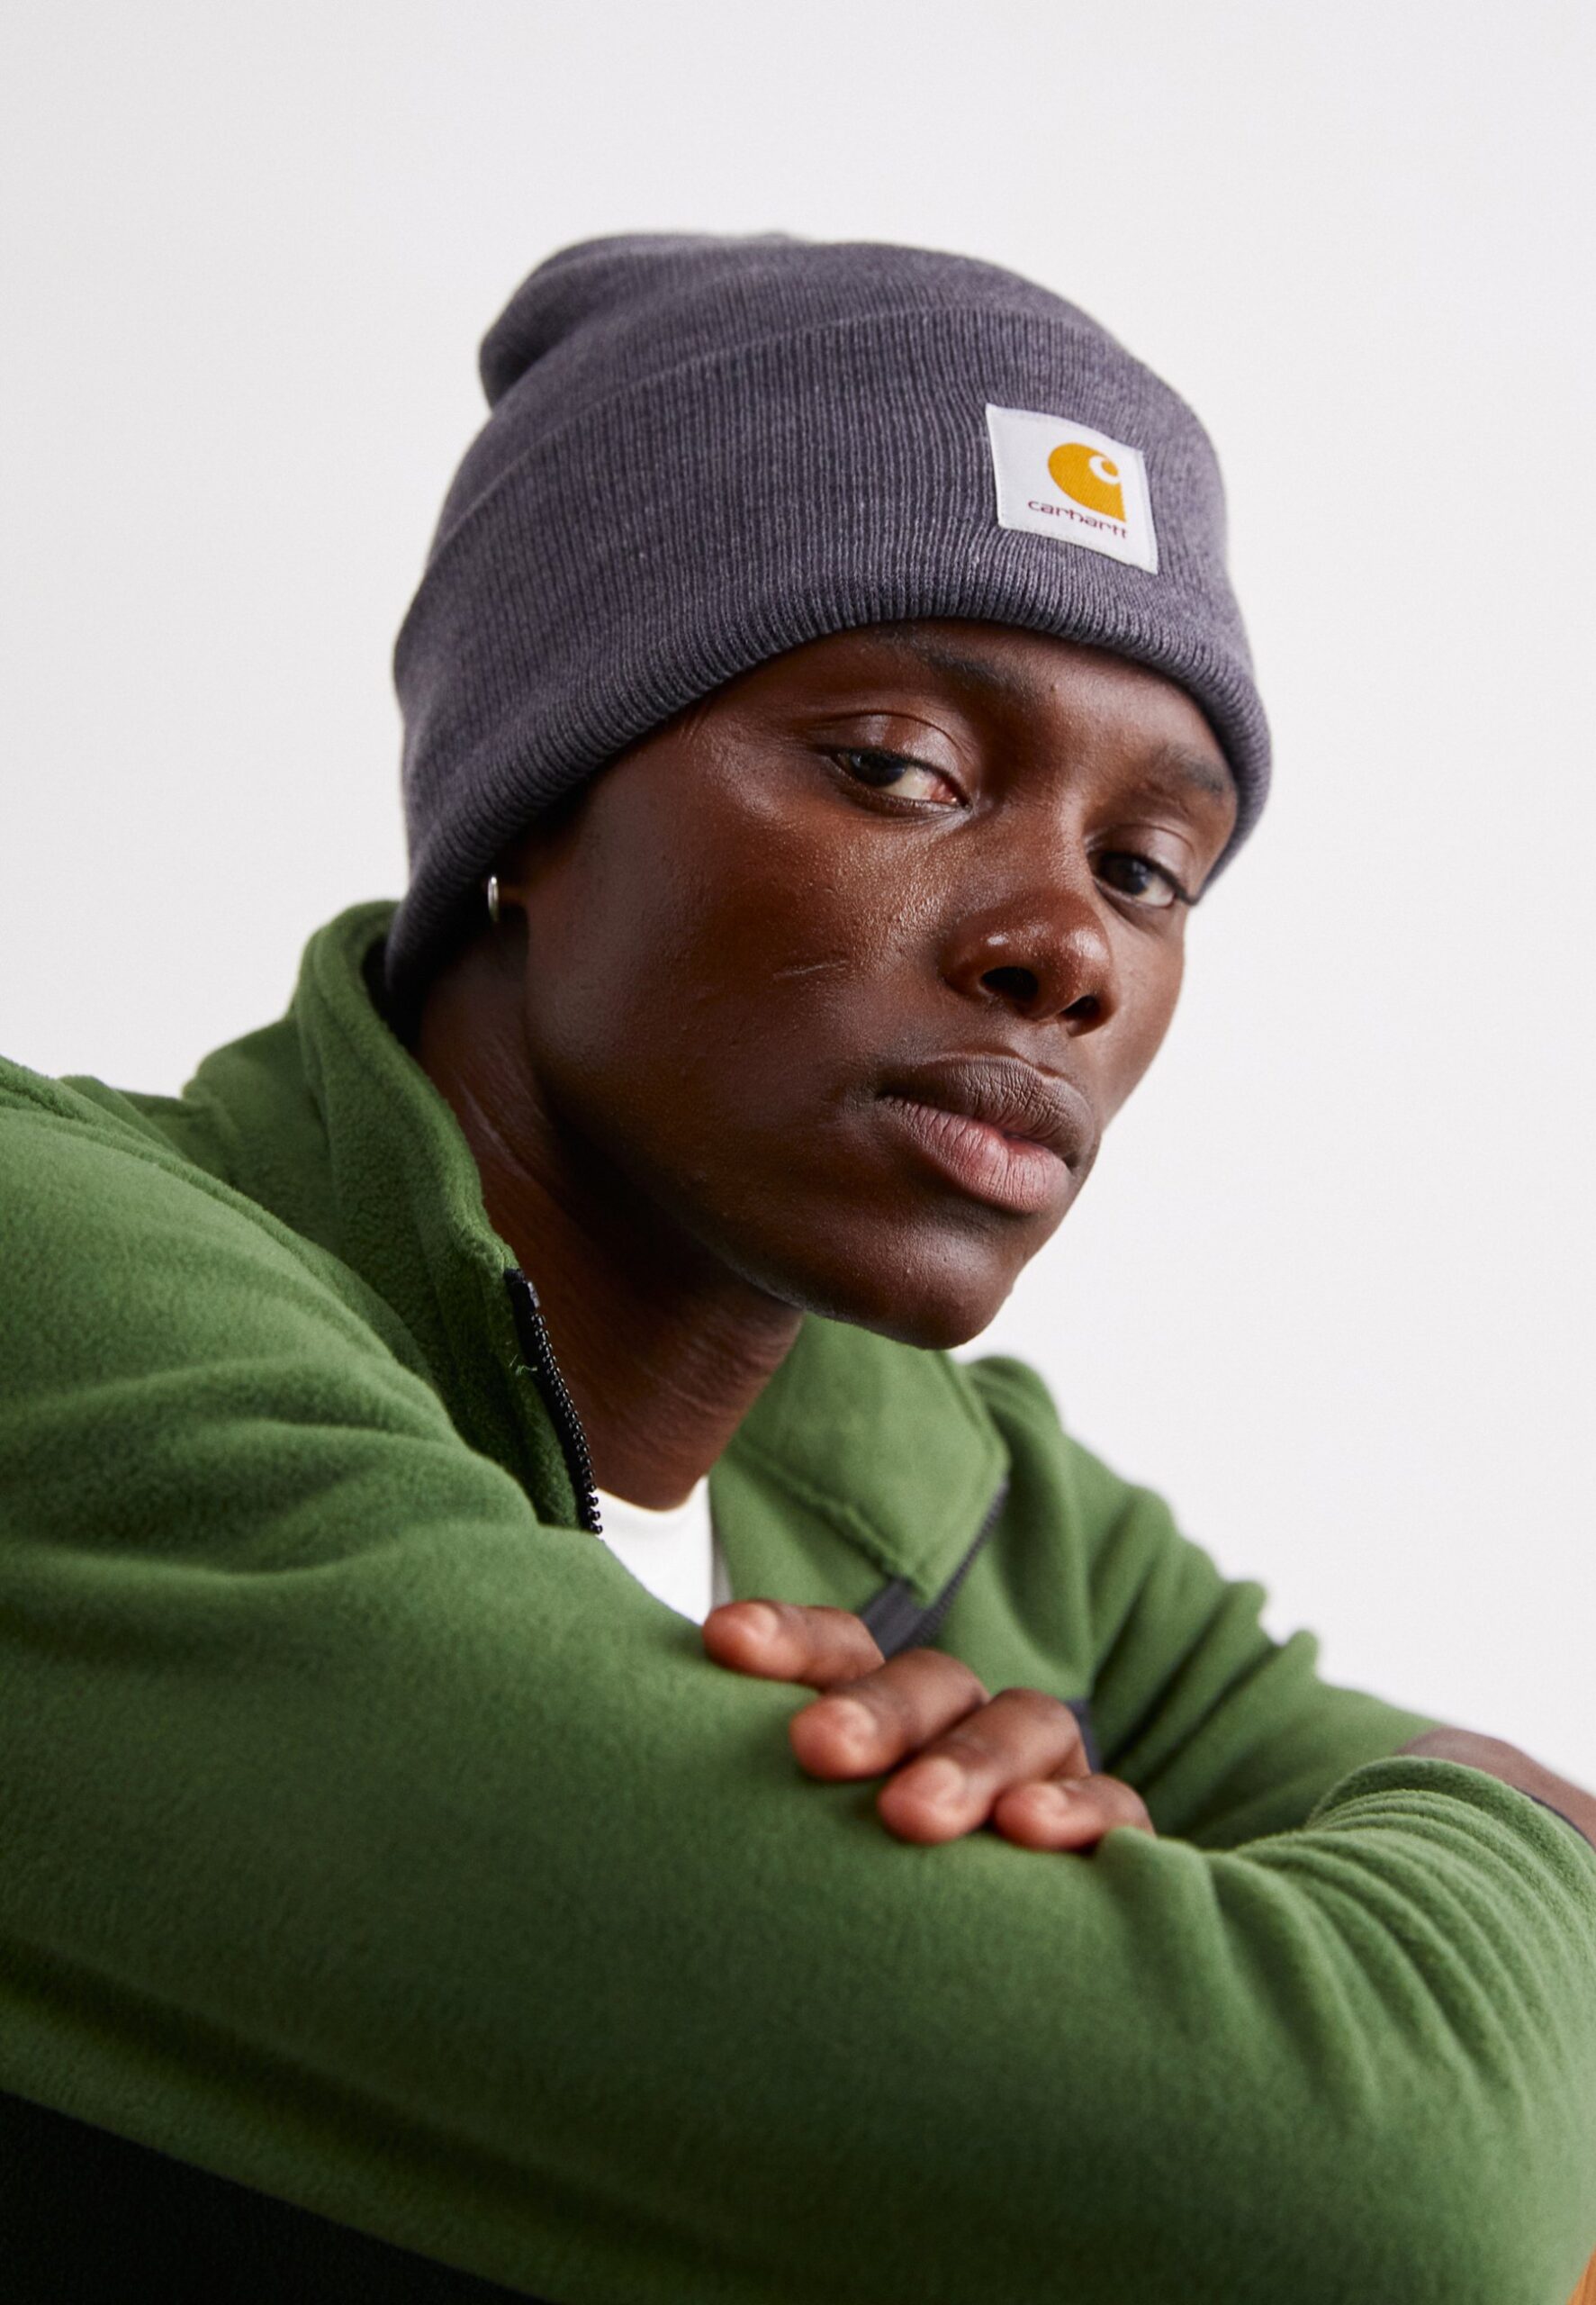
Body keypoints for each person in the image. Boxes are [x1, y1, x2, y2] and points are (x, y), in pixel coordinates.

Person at [2, 231, 1592, 2305]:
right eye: (901, 769)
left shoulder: (979, 1503)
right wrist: (1510, 1805)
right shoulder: (59, 1296)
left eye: (1145, 866)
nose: (1066, 946)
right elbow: (1376, 2197)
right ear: (537, 794)